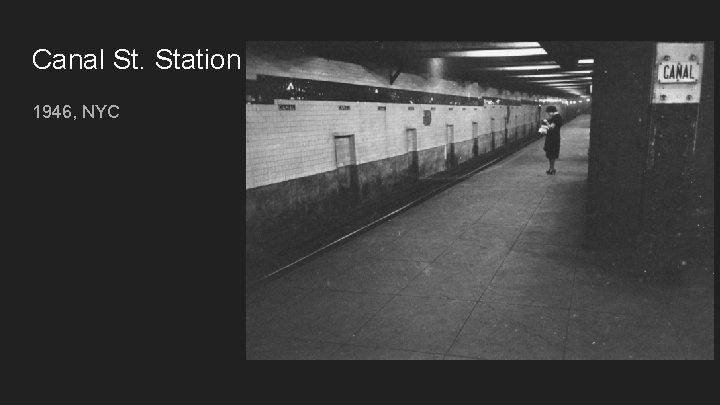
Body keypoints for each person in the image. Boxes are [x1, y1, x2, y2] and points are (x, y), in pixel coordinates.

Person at [541, 105, 562, 175]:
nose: (548, 114)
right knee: (551, 155)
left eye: (548, 112)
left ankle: (552, 169)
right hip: (552, 138)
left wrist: (545, 122)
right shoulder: (555, 117)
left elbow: (551, 128)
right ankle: (551, 168)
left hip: (553, 139)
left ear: (552, 112)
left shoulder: (556, 118)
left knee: (552, 154)